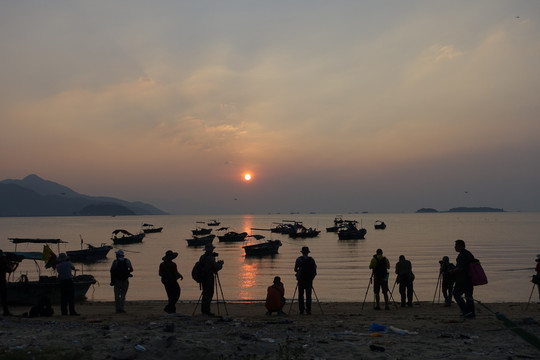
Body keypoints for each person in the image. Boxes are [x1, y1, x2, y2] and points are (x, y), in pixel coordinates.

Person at [451, 239, 476, 318]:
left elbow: (460, 268)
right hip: (470, 278)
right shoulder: (469, 253)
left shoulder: (462, 255)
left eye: (456, 246)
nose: (455, 247)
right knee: (469, 295)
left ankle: (466, 311)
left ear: (461, 246)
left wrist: (452, 271)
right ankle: (471, 313)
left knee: (456, 294)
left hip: (462, 279)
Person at [199, 244, 224, 316]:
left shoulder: (202, 257)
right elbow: (216, 267)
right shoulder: (210, 258)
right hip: (208, 277)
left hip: (203, 277)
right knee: (209, 293)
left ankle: (204, 310)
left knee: (205, 293)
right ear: (211, 250)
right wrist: (221, 264)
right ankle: (207, 311)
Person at [294, 246, 317, 315]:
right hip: (309, 280)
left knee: (301, 295)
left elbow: (295, 269)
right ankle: (308, 310)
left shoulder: (299, 259)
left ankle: (301, 310)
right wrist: (311, 278)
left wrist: (298, 272)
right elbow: (315, 269)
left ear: (302, 252)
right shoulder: (311, 259)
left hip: (301, 280)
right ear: (308, 253)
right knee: (308, 295)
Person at [110, 249, 133, 313]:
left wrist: (112, 281)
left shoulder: (115, 262)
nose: (115, 255)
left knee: (117, 295)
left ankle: (117, 309)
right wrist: (127, 272)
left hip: (117, 281)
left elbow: (112, 271)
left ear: (118, 255)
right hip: (125, 280)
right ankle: (122, 308)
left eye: (116, 254)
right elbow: (131, 269)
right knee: (123, 295)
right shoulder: (127, 261)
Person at [0, 249, 18, 316]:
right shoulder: (3, 262)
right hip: (2, 282)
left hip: (2, 281)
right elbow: (10, 270)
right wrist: (15, 266)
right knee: (4, 297)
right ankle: (5, 311)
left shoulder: (3, 261)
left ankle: (5, 311)